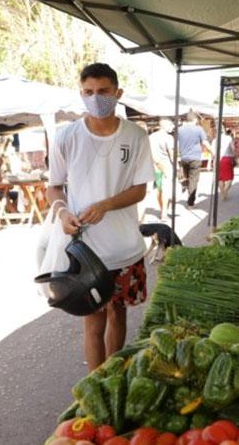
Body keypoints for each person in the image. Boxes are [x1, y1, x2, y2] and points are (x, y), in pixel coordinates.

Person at [46, 62, 154, 371]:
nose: (96, 98)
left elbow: (139, 190)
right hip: (85, 250)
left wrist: (105, 205)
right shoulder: (66, 137)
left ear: (118, 92)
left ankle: (112, 373)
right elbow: (53, 188)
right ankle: (96, 384)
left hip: (124, 247)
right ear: (81, 94)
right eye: (88, 92)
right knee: (92, 319)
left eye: (103, 91)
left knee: (118, 314)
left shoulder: (135, 135)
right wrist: (63, 211)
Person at [178, 111, 213, 207]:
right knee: (193, 180)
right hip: (195, 158)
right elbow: (205, 143)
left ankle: (185, 184)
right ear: (195, 119)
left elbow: (176, 144)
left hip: (184, 158)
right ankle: (190, 202)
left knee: (187, 177)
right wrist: (213, 152)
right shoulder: (199, 129)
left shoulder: (180, 129)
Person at [148, 119, 175, 219]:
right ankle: (164, 213)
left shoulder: (151, 137)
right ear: (165, 126)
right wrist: (177, 167)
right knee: (166, 189)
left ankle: (163, 209)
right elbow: (172, 154)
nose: (173, 127)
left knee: (159, 189)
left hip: (154, 166)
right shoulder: (168, 138)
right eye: (171, 125)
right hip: (166, 166)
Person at [217, 128, 236, 200]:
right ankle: (224, 192)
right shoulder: (228, 138)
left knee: (220, 178)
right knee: (229, 178)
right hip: (227, 159)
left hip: (218, 159)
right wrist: (235, 156)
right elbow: (233, 148)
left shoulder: (215, 139)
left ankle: (223, 195)